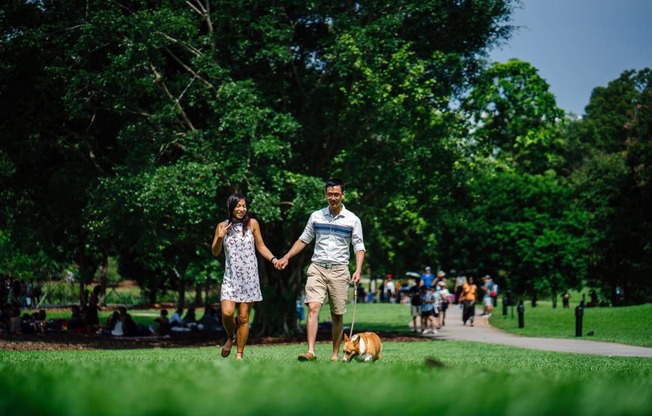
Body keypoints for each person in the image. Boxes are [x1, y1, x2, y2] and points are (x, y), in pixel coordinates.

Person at [276, 178, 365, 362]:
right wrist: (286, 257)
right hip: (317, 268)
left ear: (343, 195)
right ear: (325, 195)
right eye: (330, 194)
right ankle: (311, 351)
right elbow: (304, 239)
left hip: (340, 270)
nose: (333, 198)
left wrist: (358, 269)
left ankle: (334, 355)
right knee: (313, 307)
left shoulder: (353, 220)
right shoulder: (316, 216)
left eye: (336, 194)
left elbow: (359, 246)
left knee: (337, 315)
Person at [211, 193, 279, 360]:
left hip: (249, 277)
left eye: (243, 206)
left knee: (243, 317)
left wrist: (273, 259)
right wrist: (220, 238)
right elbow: (215, 251)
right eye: (237, 206)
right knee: (227, 313)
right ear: (231, 207)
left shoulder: (253, 224)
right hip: (231, 277)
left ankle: (239, 353)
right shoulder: (222, 226)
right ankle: (231, 337)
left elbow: (260, 246)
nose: (241, 209)